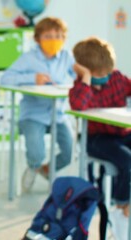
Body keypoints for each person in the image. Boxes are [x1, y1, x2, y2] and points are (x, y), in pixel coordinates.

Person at [0, 17, 75, 192]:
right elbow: (5, 79)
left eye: (58, 35)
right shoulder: (29, 58)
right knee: (37, 154)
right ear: (37, 38)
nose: (54, 40)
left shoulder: (67, 56)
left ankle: (46, 170)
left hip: (59, 114)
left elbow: (79, 76)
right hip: (33, 115)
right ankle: (34, 166)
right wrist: (31, 78)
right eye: (48, 36)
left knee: (70, 152)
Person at [69, 37, 131, 218]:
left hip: (121, 133)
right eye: (98, 75)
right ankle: (121, 205)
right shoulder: (80, 86)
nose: (105, 78)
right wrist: (86, 78)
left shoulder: (117, 78)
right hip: (96, 139)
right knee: (128, 161)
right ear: (84, 72)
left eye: (107, 73)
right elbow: (78, 105)